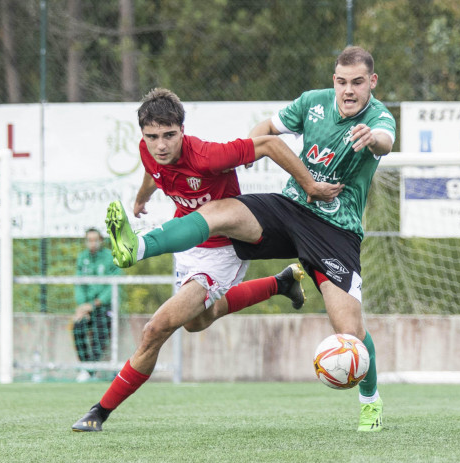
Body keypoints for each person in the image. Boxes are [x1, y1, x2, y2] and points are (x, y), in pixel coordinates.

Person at [95, 46, 395, 432]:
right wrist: (253, 148)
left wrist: (372, 139)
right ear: (333, 80)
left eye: (357, 82)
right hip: (291, 207)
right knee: (221, 211)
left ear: (372, 82)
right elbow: (267, 129)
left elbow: (386, 141)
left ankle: (370, 402)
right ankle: (140, 245)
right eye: (341, 81)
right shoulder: (313, 103)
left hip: (335, 230)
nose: (348, 90)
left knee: (350, 335)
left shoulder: (379, 117)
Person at [71, 88, 342, 431]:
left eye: (169, 135)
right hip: (188, 245)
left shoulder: (208, 156)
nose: (161, 145)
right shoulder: (149, 150)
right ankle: (281, 282)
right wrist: (141, 199)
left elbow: (271, 144)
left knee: (156, 328)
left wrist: (311, 186)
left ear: (182, 131)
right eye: (152, 136)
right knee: (196, 321)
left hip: (223, 251)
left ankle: (100, 411)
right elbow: (153, 171)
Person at [73, 227, 122, 382]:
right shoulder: (82, 258)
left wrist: (94, 304)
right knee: (77, 326)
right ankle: (87, 368)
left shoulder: (111, 257)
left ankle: (90, 370)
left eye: (95, 240)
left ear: (101, 240)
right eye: (89, 240)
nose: (92, 243)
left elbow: (113, 287)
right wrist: (83, 306)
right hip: (87, 307)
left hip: (104, 307)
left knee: (100, 328)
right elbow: (79, 284)